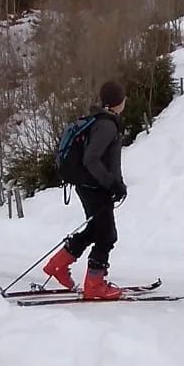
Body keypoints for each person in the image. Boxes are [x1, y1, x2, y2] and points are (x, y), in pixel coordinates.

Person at [43, 80, 128, 300]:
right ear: (119, 101)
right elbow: (91, 159)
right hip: (95, 186)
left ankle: (57, 266)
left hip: (91, 185)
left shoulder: (101, 121)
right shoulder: (106, 125)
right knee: (107, 235)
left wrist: (115, 184)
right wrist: (111, 183)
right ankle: (94, 285)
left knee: (95, 230)